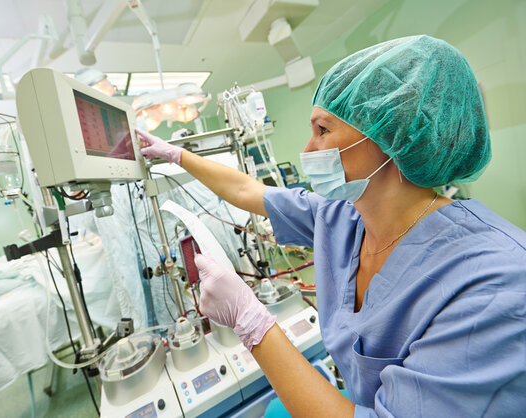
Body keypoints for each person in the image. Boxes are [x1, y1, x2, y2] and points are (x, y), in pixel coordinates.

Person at [137, 35, 526, 416]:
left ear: (392, 136)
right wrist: (176, 155)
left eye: (322, 130)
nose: (307, 151)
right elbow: (245, 189)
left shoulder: (494, 284)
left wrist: (251, 322)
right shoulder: (343, 216)